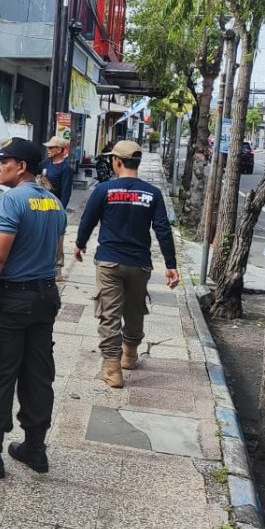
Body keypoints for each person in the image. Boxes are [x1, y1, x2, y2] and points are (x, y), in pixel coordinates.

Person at [0, 137, 66, 479]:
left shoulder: (11, 201)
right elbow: (57, 253)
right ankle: (35, 447)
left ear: (21, 167)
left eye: (5, 161)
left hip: (10, 300)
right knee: (38, 373)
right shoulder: (53, 203)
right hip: (44, 296)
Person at [74, 140, 180, 389]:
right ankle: (129, 356)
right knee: (134, 310)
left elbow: (88, 220)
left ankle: (113, 370)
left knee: (109, 314)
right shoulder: (152, 193)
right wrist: (171, 264)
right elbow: (163, 229)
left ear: (117, 162)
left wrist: (80, 244)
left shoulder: (104, 190)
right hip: (139, 264)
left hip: (109, 262)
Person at [39, 135, 73, 271]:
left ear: (59, 150)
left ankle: (58, 267)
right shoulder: (45, 164)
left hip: (55, 206)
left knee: (57, 237)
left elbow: (66, 192)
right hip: (41, 204)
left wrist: (61, 210)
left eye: (51, 148)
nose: (48, 150)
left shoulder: (65, 168)